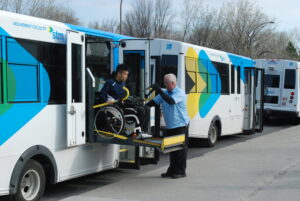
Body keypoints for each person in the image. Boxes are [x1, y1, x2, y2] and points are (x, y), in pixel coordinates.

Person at [147, 73, 190, 179]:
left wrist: (160, 91)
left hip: (180, 125)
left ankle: (181, 171)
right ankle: (171, 171)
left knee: (180, 150)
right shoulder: (165, 93)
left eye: (166, 83)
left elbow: (171, 101)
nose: (165, 85)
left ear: (173, 83)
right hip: (170, 126)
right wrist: (142, 104)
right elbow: (154, 101)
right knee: (172, 149)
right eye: (164, 83)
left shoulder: (179, 92)